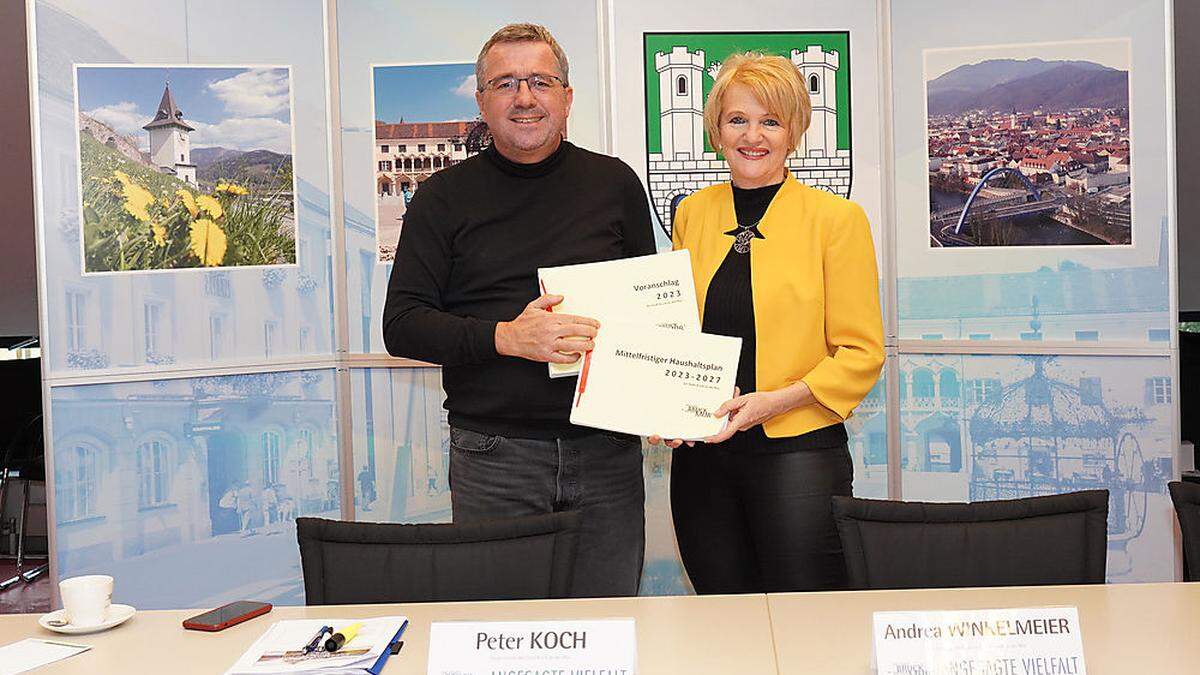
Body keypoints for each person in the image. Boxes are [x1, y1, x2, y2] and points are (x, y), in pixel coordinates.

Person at [382, 23, 655, 597]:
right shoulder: (440, 197)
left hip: (607, 455)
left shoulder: (616, 183)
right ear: (481, 101)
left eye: (540, 81)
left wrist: (664, 399)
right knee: (498, 636)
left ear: (567, 96)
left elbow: (648, 317)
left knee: (609, 629)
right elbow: (402, 325)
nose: (524, 97)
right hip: (494, 458)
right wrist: (508, 337)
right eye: (504, 84)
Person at [653, 53, 884, 594]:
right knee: (724, 618)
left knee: (807, 623)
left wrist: (772, 402)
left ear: (795, 131)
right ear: (716, 129)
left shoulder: (836, 220)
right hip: (703, 459)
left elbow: (861, 352)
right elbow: (677, 331)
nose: (752, 136)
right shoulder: (693, 212)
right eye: (738, 120)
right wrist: (659, 399)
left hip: (797, 455)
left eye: (770, 121)